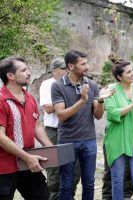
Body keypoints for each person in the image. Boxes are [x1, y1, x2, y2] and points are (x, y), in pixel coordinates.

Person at [51, 50, 114, 200]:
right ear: (71, 66)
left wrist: (100, 100)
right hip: (67, 141)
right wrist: (81, 101)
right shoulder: (58, 86)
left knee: (89, 183)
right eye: (83, 64)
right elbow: (61, 115)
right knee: (66, 183)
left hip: (89, 141)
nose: (87, 67)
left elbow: (98, 116)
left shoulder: (91, 84)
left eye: (87, 63)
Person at [0, 57, 53, 199]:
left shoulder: (29, 97)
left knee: (42, 197)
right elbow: (1, 138)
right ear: (10, 76)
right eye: (23, 70)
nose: (29, 73)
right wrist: (27, 157)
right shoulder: (1, 100)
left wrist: (51, 149)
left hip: (29, 162)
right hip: (4, 167)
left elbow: (37, 125)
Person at [104, 58, 133, 200]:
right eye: (129, 72)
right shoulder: (111, 90)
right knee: (117, 179)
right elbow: (112, 113)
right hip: (117, 139)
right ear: (119, 76)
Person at [39, 57, 81, 200]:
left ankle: (69, 196)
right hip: (54, 130)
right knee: (54, 168)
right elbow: (49, 108)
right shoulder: (48, 84)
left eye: (68, 68)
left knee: (75, 168)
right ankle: (54, 196)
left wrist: (64, 105)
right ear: (53, 70)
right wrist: (75, 104)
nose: (67, 71)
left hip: (74, 130)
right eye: (63, 68)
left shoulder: (76, 82)